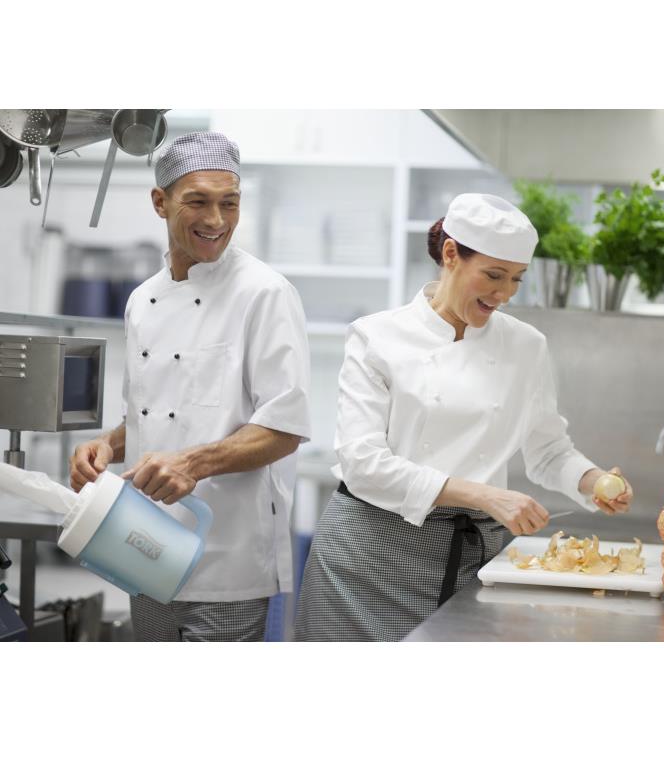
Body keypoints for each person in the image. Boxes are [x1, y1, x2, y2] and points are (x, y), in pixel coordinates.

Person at [294, 193, 633, 642]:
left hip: (470, 556)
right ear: (451, 254)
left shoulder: (526, 346)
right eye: (493, 275)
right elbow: (363, 464)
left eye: (516, 279)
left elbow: (549, 449)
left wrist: (592, 481)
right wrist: (485, 496)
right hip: (367, 556)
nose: (504, 294)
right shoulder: (377, 337)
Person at [69, 131, 312, 642]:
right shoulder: (141, 301)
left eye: (230, 202)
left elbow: (284, 428)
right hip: (142, 545)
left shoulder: (265, 293)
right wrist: (106, 445)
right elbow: (151, 411)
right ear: (160, 202)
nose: (216, 220)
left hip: (227, 557)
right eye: (197, 202)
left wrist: (192, 464)